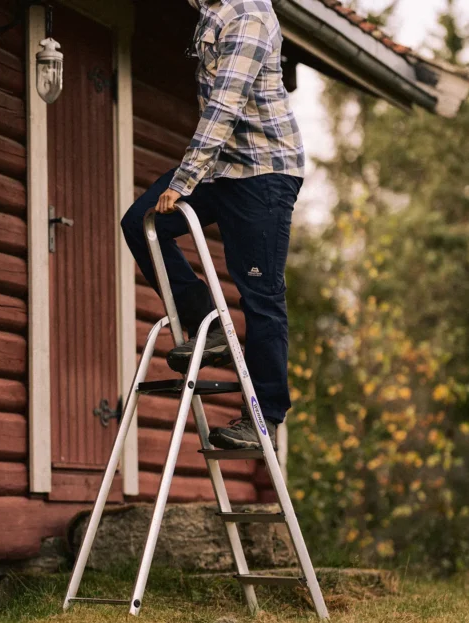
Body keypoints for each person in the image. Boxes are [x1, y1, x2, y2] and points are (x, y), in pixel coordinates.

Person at [121, 0, 304, 450]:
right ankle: (208, 323)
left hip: (263, 172)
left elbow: (224, 106)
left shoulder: (249, 16)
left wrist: (183, 181)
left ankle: (264, 420)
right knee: (141, 223)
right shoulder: (209, 8)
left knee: (261, 296)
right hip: (222, 168)